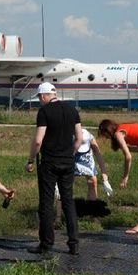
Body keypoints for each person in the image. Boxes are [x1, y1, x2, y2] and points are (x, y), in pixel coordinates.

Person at [25, 82, 83, 255]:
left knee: (46, 203)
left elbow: (38, 140)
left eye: (39, 98)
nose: (40, 101)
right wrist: (70, 153)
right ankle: (74, 244)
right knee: (68, 201)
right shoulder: (73, 110)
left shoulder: (44, 112)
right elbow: (79, 138)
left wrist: (30, 159)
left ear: (43, 96)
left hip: (49, 162)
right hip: (67, 161)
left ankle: (46, 243)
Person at [74, 128, 112, 200]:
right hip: (70, 155)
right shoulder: (65, 136)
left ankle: (91, 208)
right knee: (65, 183)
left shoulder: (89, 137)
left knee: (93, 181)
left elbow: (98, 155)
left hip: (86, 157)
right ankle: (61, 210)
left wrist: (105, 178)